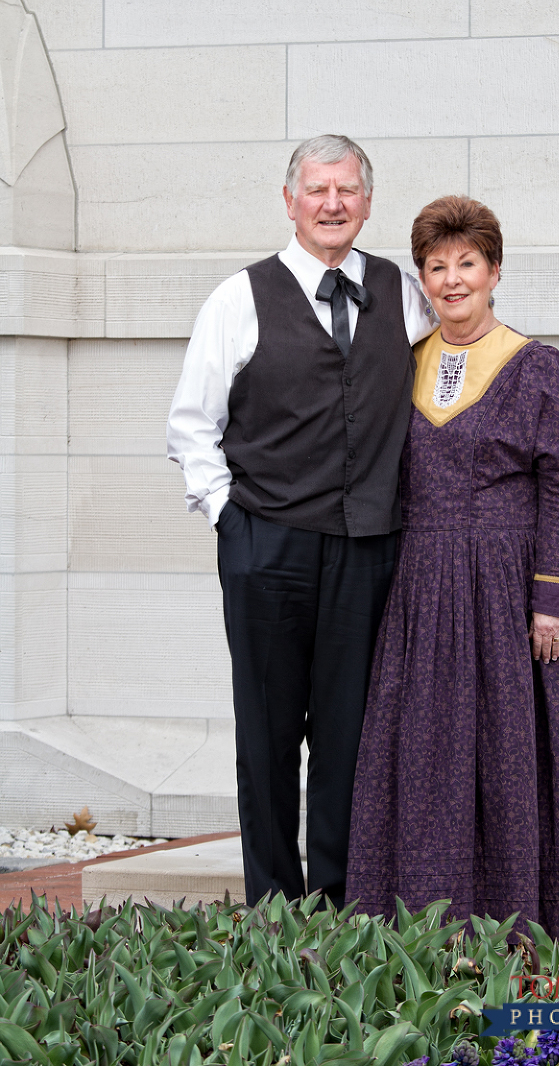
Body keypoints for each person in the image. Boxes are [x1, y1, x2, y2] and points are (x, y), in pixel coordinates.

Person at [167, 135, 434, 908]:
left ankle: (344, 909)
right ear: (290, 201)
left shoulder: (403, 293)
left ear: (367, 202)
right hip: (268, 545)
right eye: (317, 190)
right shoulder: (239, 298)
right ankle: (275, 912)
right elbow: (192, 425)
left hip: (369, 548)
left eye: (346, 190)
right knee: (269, 734)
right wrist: (231, 522)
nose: (332, 204)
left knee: (351, 738)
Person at [346, 196, 559, 938]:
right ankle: (425, 929)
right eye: (437, 267)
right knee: (424, 756)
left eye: (467, 264)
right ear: (422, 279)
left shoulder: (538, 368)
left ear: (494, 271)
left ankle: (518, 930)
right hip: (422, 585)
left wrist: (552, 596)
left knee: (506, 755)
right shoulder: (400, 368)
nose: (453, 280)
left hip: (506, 588)